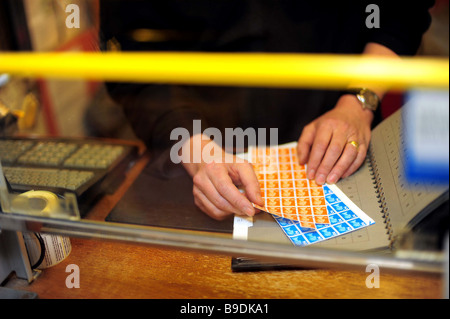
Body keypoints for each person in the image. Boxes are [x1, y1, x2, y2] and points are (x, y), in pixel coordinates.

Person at [100, 0, 434, 220]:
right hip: (193, 157)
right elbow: (132, 63)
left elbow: (401, 10)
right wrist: (195, 147)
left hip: (342, 134)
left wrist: (359, 100)